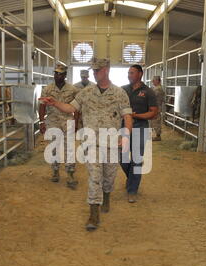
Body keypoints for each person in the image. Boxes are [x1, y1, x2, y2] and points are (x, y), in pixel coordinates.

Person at [39, 58, 133, 231]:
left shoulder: (120, 93)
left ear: (106, 70)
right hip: (91, 143)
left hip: (112, 143)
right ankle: (93, 213)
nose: (94, 73)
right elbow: (70, 108)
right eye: (93, 71)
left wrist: (126, 135)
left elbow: (127, 116)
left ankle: (106, 195)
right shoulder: (86, 92)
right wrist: (54, 103)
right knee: (95, 176)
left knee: (109, 177)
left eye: (97, 70)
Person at [120, 65, 158, 203]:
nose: (129, 75)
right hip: (123, 128)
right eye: (128, 73)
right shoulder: (123, 90)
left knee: (136, 160)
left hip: (140, 128)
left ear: (140, 74)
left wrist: (137, 115)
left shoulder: (148, 92)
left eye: (131, 73)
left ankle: (132, 190)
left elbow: (153, 112)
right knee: (121, 157)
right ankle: (131, 178)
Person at [39, 64, 80, 189]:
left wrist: (77, 124)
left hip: (68, 122)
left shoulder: (73, 90)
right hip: (52, 122)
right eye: (56, 73)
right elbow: (42, 106)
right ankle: (55, 171)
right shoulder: (47, 89)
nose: (58, 76)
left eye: (61, 74)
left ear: (65, 75)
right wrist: (41, 122)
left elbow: (77, 108)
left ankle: (70, 174)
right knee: (54, 148)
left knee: (70, 149)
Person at [73, 69, 95, 137]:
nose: (84, 79)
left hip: (90, 113)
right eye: (82, 77)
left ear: (88, 76)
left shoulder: (93, 86)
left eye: (85, 77)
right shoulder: (75, 86)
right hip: (79, 114)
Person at [150, 75, 165, 141]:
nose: (152, 81)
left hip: (156, 107)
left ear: (158, 81)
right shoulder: (156, 88)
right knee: (154, 121)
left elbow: (152, 96)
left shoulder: (158, 89)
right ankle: (157, 135)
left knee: (156, 122)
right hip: (155, 107)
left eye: (154, 80)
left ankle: (158, 136)